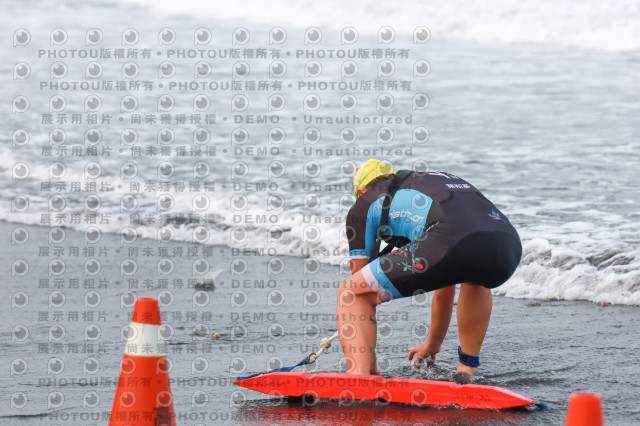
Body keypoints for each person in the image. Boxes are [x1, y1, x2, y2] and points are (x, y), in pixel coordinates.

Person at [337, 159, 522, 376]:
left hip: (447, 241)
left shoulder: (364, 203)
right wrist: (433, 343)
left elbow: (362, 284)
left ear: (360, 191)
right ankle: (467, 369)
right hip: (507, 245)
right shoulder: (427, 182)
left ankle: (360, 378)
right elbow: (445, 277)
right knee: (474, 279)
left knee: (351, 293)